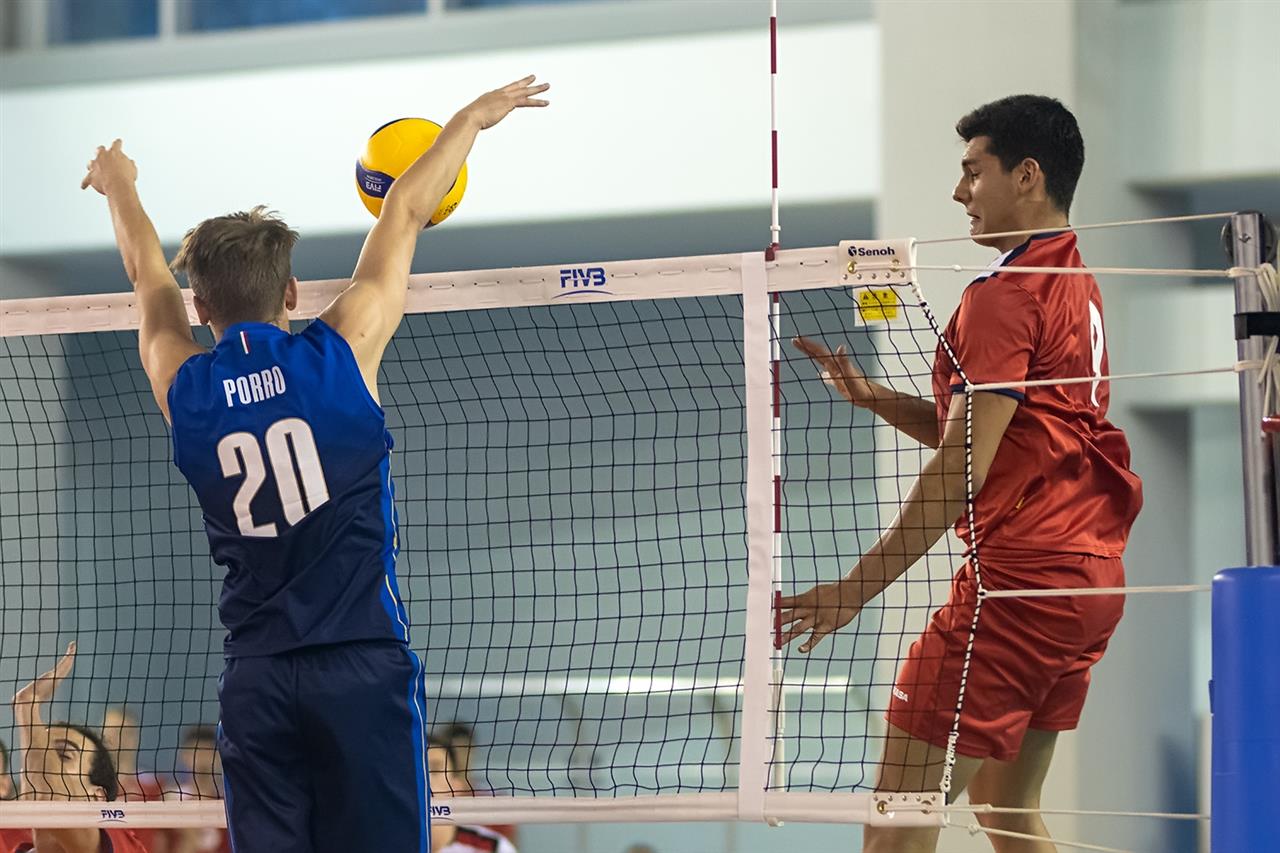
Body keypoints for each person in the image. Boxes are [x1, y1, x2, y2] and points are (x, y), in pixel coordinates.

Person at [81, 76, 548, 853]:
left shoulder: (184, 387)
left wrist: (117, 184)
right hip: (359, 664)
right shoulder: (343, 351)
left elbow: (146, 275)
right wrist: (470, 119)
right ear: (292, 291)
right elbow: (405, 210)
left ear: (202, 309)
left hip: (258, 676)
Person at [780, 94, 1142, 852]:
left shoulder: (1004, 295)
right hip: (1087, 582)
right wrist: (876, 397)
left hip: (1017, 587)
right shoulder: (1072, 276)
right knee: (1009, 812)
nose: (958, 191)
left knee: (896, 827)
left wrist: (855, 587)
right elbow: (1013, 438)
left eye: (974, 172)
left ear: (1027, 175)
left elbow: (961, 465)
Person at [0, 643, 148, 853]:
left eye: (62, 755)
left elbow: (48, 798)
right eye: (34, 753)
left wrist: (27, 704)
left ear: (97, 797)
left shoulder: (115, 835)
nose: (38, 766)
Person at [427, 738, 516, 853]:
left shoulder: (494, 847)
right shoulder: (401, 842)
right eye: (416, 771)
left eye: (434, 770)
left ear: (455, 787)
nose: (425, 779)